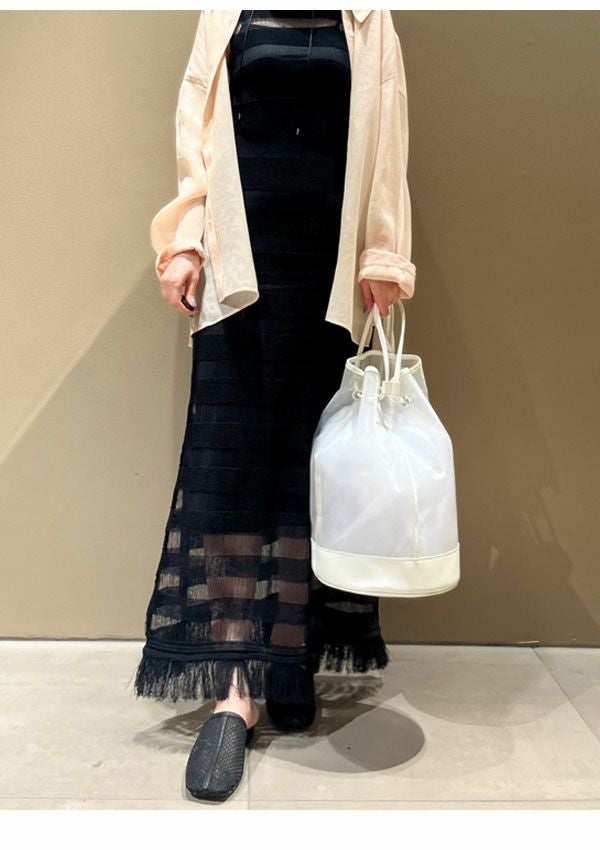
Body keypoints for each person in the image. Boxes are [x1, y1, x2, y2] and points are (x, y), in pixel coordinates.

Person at [133, 10, 416, 803]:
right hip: (241, 264)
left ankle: (287, 658)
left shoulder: (367, 16)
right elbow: (196, 128)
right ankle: (234, 686)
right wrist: (185, 239)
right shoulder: (228, 10)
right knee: (231, 468)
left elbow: (388, 135)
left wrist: (383, 251)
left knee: (307, 465)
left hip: (328, 265)